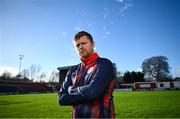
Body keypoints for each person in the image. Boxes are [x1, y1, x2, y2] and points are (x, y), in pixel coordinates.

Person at [58, 31, 115, 118]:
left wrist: (72, 90)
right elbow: (62, 99)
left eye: (83, 43)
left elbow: (92, 92)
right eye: (77, 45)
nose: (80, 47)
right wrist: (87, 93)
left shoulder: (105, 64)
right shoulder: (72, 70)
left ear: (93, 44)